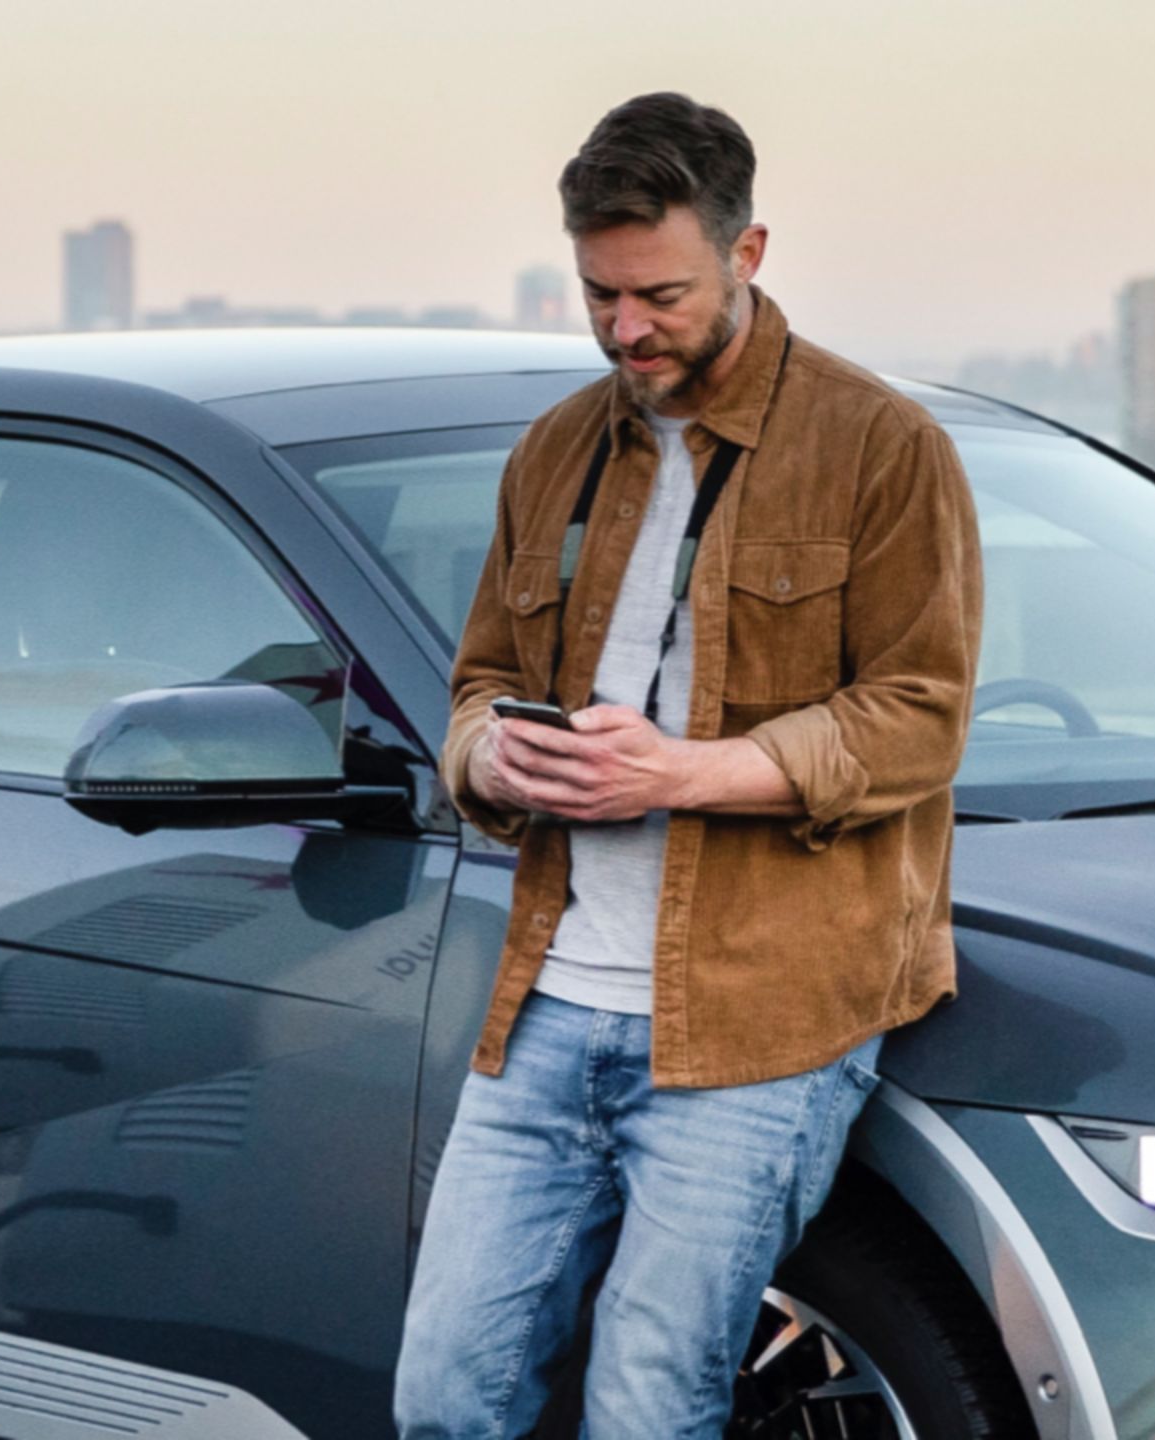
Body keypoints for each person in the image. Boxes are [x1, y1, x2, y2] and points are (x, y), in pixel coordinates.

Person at [394, 92, 984, 1439]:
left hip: (756, 1026)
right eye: (598, 294)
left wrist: (678, 774)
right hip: (547, 1003)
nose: (623, 330)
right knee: (443, 1397)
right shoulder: (553, 451)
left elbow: (920, 715)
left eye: (657, 293)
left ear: (749, 251)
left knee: (651, 1410)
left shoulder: (882, 450)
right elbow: (478, 686)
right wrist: (498, 757)